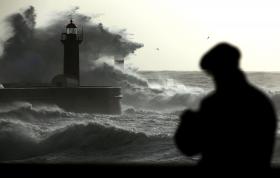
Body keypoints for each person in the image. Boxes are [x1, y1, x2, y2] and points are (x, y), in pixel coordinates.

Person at [174, 43, 277, 171]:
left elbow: (190, 148)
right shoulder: (261, 101)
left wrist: (187, 122)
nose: (214, 79)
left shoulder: (214, 103)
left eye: (214, 73)